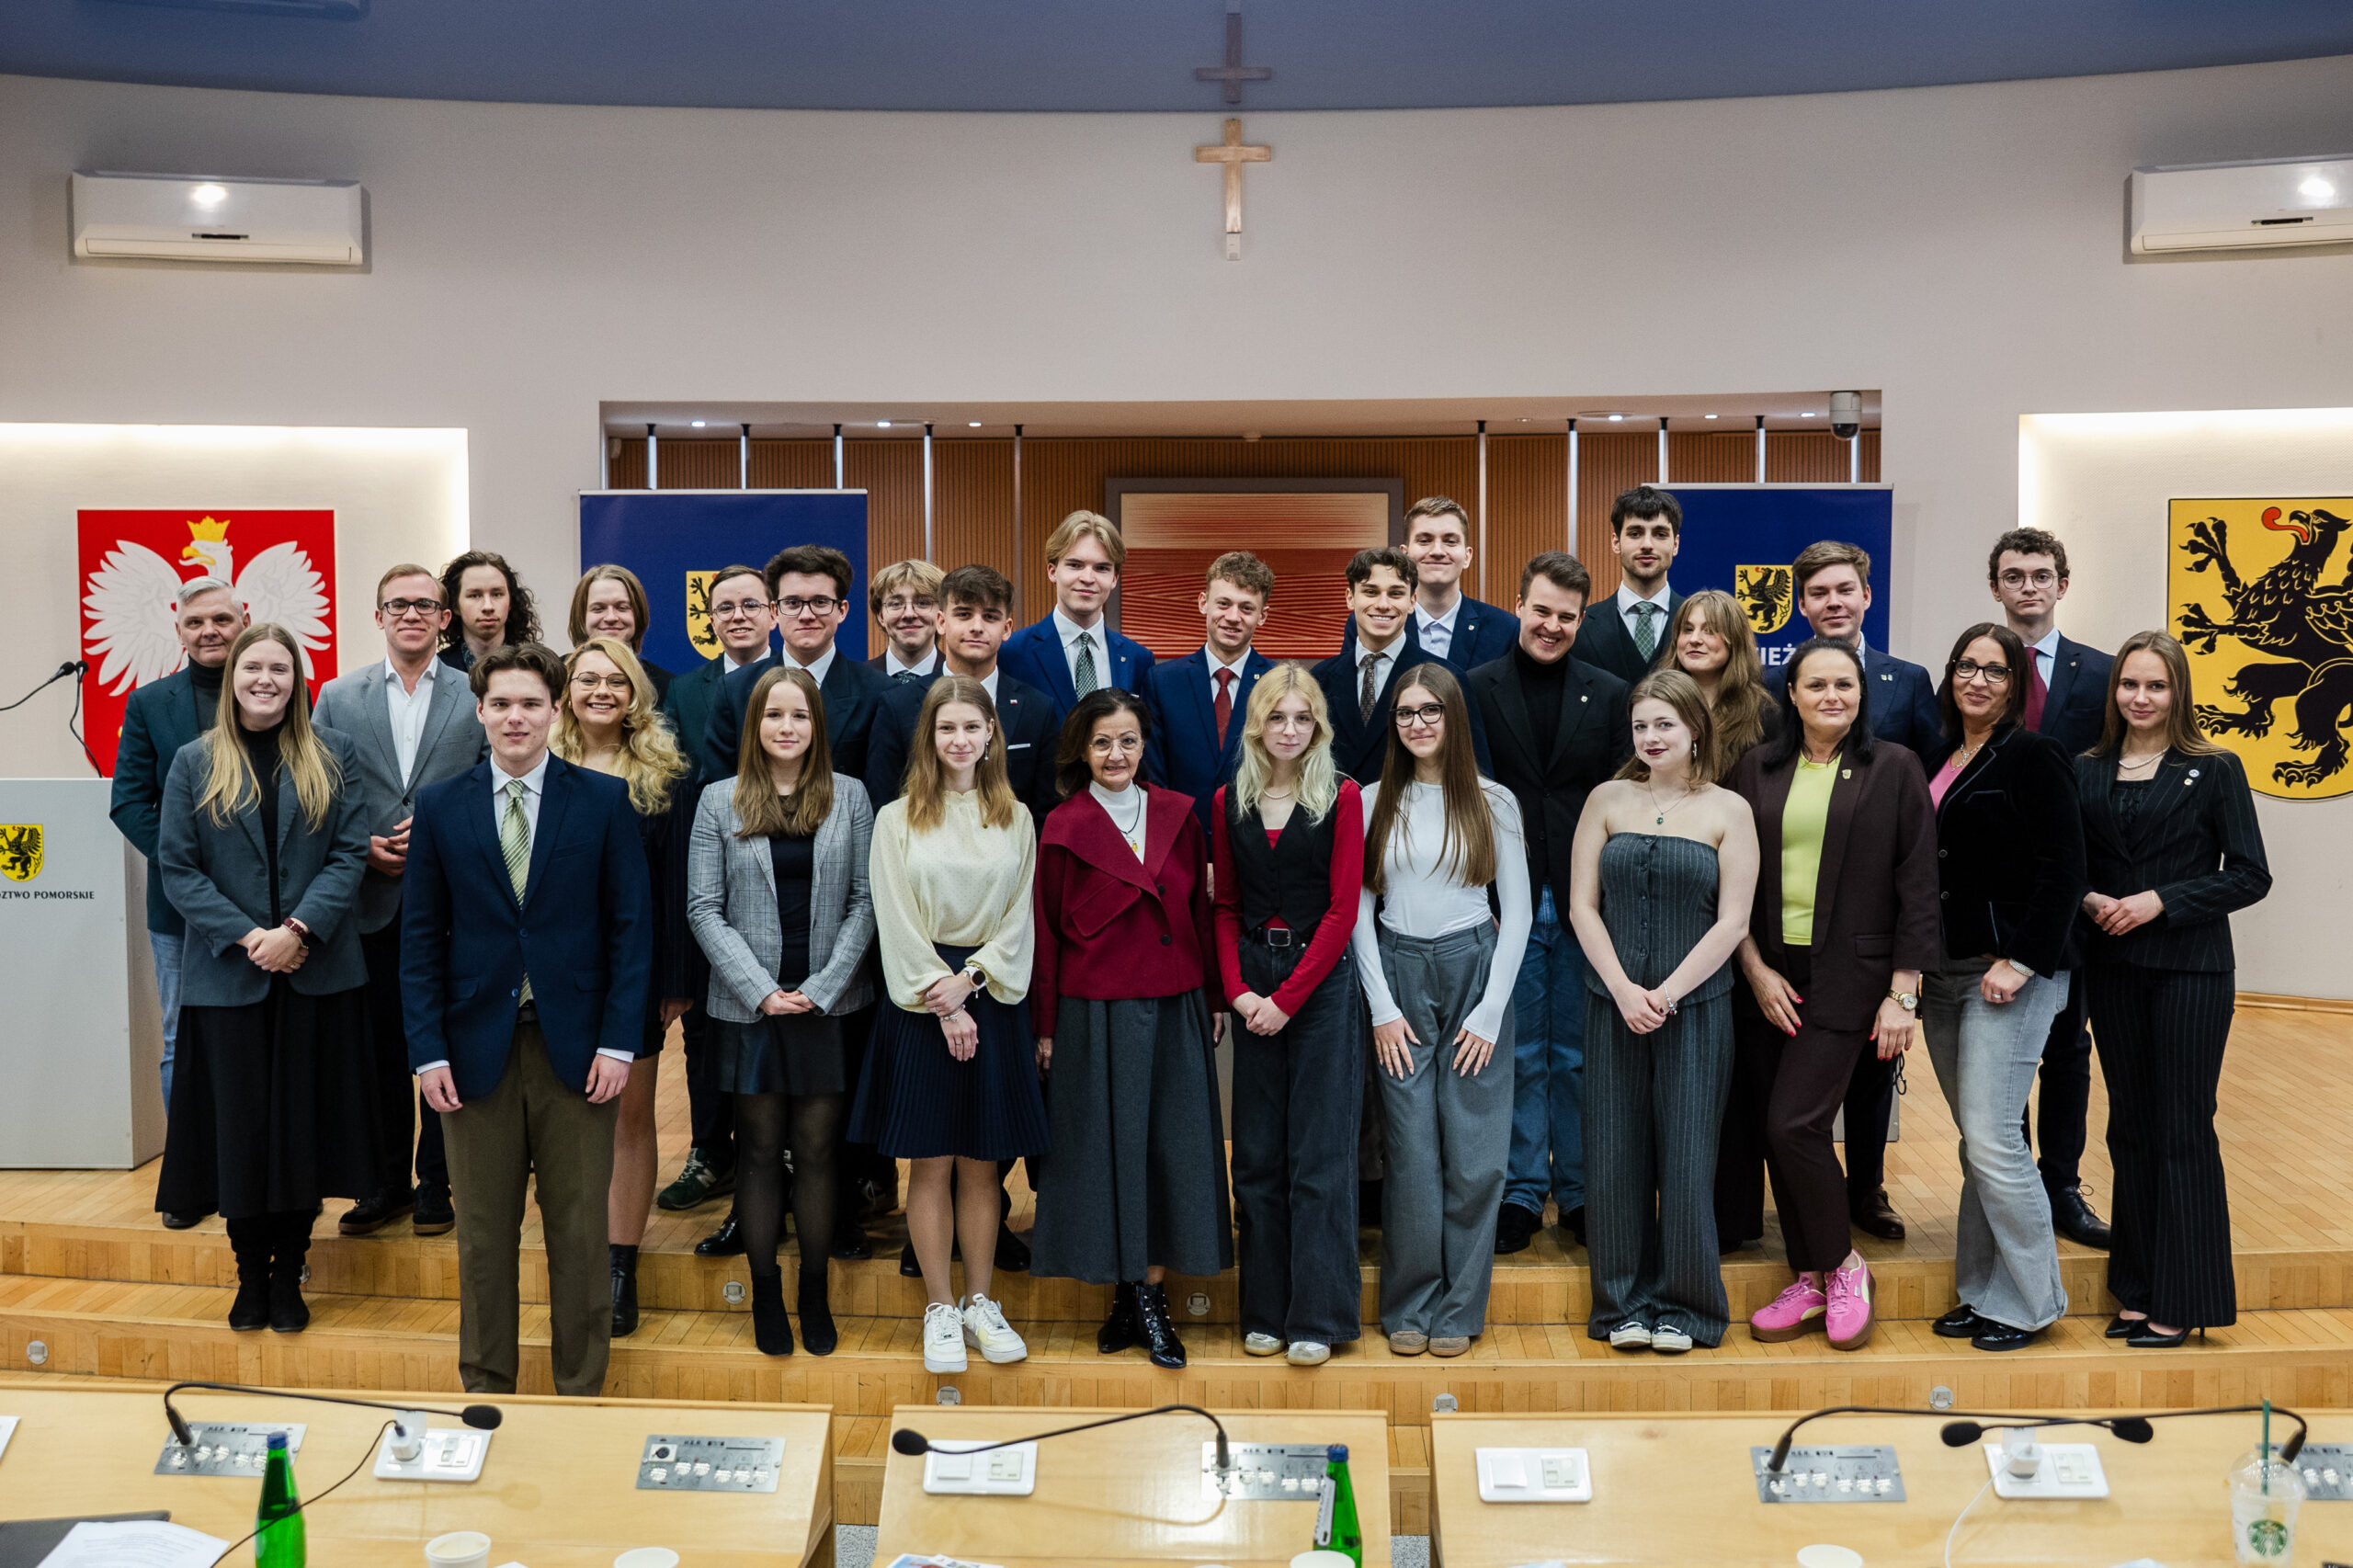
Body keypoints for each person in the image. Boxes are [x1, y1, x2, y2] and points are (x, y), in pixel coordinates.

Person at [401, 642, 652, 1398]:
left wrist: (619, 1043)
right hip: (471, 1051)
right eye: (502, 704)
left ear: (555, 711)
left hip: (577, 1049)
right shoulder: (440, 805)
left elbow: (631, 932)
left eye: (531, 704)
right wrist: (427, 1052)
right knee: (483, 1235)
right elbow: (420, 940)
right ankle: (487, 1390)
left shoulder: (602, 801)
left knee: (578, 1232)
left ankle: (580, 1389)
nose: (516, 717)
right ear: (480, 711)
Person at [154, 622, 376, 1333]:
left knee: (299, 1134)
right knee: (241, 1136)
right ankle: (251, 1275)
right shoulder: (194, 761)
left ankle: (290, 1275)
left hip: (316, 974)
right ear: (233, 678)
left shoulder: (333, 754)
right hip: (230, 978)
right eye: (253, 668)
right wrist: (253, 937)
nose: (265, 680)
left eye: (279, 669)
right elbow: (178, 868)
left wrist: (298, 931)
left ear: (297, 679)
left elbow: (350, 854)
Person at [1730, 639, 1938, 1351]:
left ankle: (1845, 1267)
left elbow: (1918, 882)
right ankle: (1810, 1276)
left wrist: (1903, 993)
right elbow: (1733, 878)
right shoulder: (1757, 767)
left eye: (1844, 685)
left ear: (1861, 693)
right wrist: (1753, 968)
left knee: (1795, 1123)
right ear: (1790, 694)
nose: (1831, 696)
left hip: (1852, 977)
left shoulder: (1895, 767)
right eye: (1816, 684)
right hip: (1769, 977)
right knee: (1776, 1130)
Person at [2075, 631, 2270, 1346]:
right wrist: (2089, 897)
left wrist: (2161, 900)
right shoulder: (2087, 769)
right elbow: (2067, 863)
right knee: (2129, 1126)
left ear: (2178, 692)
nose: (2141, 697)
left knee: (2181, 1127)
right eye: (2130, 684)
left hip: (2191, 970)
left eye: (2156, 685)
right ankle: (2135, 1288)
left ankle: (2184, 1298)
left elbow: (2250, 874)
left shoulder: (2215, 768)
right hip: (2114, 969)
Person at [1030, 689, 1233, 1370]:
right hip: (1094, 1011)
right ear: (1081, 752)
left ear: (1145, 746)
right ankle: (1124, 1294)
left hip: (1173, 1003)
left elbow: (1203, 915)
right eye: (1101, 743)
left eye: (1127, 741)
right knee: (1101, 1153)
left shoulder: (1179, 813)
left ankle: (1150, 1297)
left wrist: (1212, 997)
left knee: (1168, 1150)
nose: (1115, 755)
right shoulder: (1062, 826)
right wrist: (1047, 1025)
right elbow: (1046, 933)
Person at [849, 676, 1046, 1375]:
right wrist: (944, 997)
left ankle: (980, 1302)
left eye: (971, 727)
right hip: (920, 999)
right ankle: (938, 1306)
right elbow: (895, 917)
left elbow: (1020, 917)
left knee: (983, 1163)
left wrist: (973, 983)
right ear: (928, 739)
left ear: (991, 734)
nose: (959, 740)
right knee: (930, 1161)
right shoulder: (897, 818)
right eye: (946, 728)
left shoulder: (1016, 816)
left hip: (991, 994)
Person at [686, 665, 875, 1357]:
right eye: (773, 715)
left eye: (799, 715)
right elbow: (703, 908)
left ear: (816, 725)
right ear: (754, 725)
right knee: (761, 1152)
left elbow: (866, 900)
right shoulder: (718, 800)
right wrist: (760, 989)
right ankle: (767, 1292)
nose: (786, 727)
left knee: (821, 1152)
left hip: (829, 1001)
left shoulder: (851, 796)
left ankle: (813, 1291)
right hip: (750, 1006)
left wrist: (823, 987)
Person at [1566, 670, 1757, 1352]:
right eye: (1640, 725)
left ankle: (1687, 1308)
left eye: (1664, 725)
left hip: (1697, 1008)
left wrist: (1669, 992)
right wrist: (1622, 988)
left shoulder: (1729, 809)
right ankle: (1622, 1305)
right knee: (1613, 1155)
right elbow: (1582, 906)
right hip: (1611, 1004)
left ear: (1695, 730)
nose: (1650, 737)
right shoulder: (1606, 799)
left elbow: (1734, 922)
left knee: (1686, 1157)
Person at [1917, 623, 2086, 1353]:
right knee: (1980, 1141)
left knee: (1993, 1140)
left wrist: (2021, 959)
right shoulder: (1939, 757)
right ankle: (1984, 1292)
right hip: (1944, 972)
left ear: (2016, 684)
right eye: (1966, 665)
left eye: (1995, 669)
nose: (1978, 679)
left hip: (2010, 974)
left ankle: (2031, 1301)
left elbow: (2065, 867)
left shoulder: (2034, 755)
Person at [1355, 664, 1531, 1358]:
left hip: (1474, 971)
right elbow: (1359, 914)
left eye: (1430, 710)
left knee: (1476, 1154)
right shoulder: (1371, 800)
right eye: (1405, 712)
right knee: (1410, 1154)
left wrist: (1489, 1012)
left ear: (1454, 716)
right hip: (1397, 973)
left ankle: (1459, 1307)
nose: (1418, 723)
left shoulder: (1495, 801)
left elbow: (1517, 915)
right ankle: (1410, 1303)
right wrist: (1380, 1007)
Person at [1767, 541, 1940, 1243]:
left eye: (1845, 589)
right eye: (1819, 592)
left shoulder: (1906, 685)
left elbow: (1927, 810)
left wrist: (1907, 983)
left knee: (1867, 1079)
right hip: (1785, 948)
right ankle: (1813, 1228)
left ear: (1867, 595)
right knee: (1791, 1109)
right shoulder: (1771, 710)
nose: (1833, 602)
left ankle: (1865, 1194)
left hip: (1868, 933)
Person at [312, 566, 487, 1243]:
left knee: (446, 1042)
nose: (411, 614)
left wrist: (443, 833)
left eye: (424, 604)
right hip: (371, 900)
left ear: (445, 618)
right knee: (379, 1050)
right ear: (378, 615)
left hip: (456, 898)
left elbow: (493, 779)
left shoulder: (476, 690)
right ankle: (384, 1182)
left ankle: (438, 1181)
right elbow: (316, 789)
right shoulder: (337, 696)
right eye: (398, 604)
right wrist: (359, 846)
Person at [1467, 551, 1630, 1255]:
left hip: (1584, 897)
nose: (1552, 625)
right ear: (1519, 606)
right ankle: (1523, 1191)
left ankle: (1584, 1190)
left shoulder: (1611, 692)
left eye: (1567, 616)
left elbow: (1619, 795)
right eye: (1541, 610)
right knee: (1522, 1050)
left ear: (1581, 620)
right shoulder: (1476, 687)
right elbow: (1470, 792)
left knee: (1577, 1053)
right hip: (1504, 896)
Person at [1212, 665, 1365, 1368]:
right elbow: (1225, 907)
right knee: (1257, 1156)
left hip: (1319, 986)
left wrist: (1286, 999)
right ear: (1257, 724)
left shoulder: (1342, 796)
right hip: (1253, 982)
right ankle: (1264, 1312)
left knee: (1319, 1155)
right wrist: (1240, 993)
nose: (1290, 729)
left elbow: (1342, 911)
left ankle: (1319, 1317)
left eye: (1303, 718)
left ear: (1318, 727)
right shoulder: (1229, 802)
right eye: (1278, 717)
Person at [551, 637, 697, 1339]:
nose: (601, 691)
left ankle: (619, 1268)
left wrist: (674, 979)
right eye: (587, 680)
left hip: (633, 974)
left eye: (616, 680)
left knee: (630, 1121)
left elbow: (676, 885)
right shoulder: (537, 765)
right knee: (564, 1120)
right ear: (567, 691)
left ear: (636, 692)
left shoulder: (664, 775)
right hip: (551, 974)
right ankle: (574, 1260)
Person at [1988, 526, 2117, 1250]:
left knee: (2067, 1048)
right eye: (2015, 575)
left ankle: (2062, 1184)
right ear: (1996, 587)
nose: (2028, 587)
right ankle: (2011, 1185)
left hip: (2076, 892)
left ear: (2062, 584)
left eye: (2041, 575)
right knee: (2003, 1050)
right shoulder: (1976, 668)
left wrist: (2093, 885)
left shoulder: (2101, 675)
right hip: (1998, 897)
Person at [110, 573, 246, 1214]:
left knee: (256, 1037)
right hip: (179, 905)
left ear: (243, 619)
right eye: (196, 623)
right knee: (180, 1040)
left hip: (266, 909)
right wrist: (185, 865)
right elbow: (129, 803)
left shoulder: (276, 688)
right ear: (179, 630)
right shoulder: (149, 704)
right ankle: (193, 1179)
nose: (209, 631)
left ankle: (251, 1171)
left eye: (220, 619)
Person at [655, 563, 776, 1223]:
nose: (736, 617)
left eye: (749, 605)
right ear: (710, 620)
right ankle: (709, 1150)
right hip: (709, 870)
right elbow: (678, 778)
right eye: (723, 608)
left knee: (775, 1024)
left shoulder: (792, 681)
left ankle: (778, 1159)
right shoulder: (684, 689)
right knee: (704, 1026)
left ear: (772, 612)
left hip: (784, 873)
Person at [867, 564, 1062, 830]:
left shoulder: (1037, 708)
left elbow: (1046, 815)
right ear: (941, 622)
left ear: (1007, 628)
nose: (977, 627)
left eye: (990, 617)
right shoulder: (897, 706)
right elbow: (884, 807)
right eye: (964, 614)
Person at [699, 544, 892, 789]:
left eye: (820, 602)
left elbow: (883, 793)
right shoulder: (735, 689)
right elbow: (716, 792)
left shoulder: (879, 692)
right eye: (792, 603)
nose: (806, 615)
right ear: (774, 611)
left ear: (842, 611)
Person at [1314, 547, 1492, 785]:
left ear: (1412, 601)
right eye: (1370, 592)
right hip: (1335, 808)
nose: (1383, 604)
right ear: (1350, 598)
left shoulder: (1449, 677)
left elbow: (1475, 772)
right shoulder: (1319, 678)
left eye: (1396, 593)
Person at [1142, 551, 1277, 835]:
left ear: (1263, 616)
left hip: (1257, 846)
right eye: (1223, 604)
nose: (1233, 617)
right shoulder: (1162, 681)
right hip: (1180, 842)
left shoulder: (1278, 683)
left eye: (1246, 608)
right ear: (1203, 603)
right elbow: (1153, 776)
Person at [998, 510, 1155, 725]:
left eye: (1101, 568)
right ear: (1052, 571)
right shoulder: (1012, 652)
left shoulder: (1138, 659)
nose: (1088, 578)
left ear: (1114, 578)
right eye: (1075, 565)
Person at [1336, 498, 1516, 673]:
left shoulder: (1505, 629)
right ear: (1405, 554)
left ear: (1467, 556)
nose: (1437, 551)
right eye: (1424, 540)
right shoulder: (1367, 621)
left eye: (1450, 541)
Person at [1657, 588, 1782, 778]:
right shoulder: (1656, 703)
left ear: (1735, 640)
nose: (1694, 640)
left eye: (1709, 631)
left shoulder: (1764, 713)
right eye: (1687, 630)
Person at [1570, 486, 1687, 687]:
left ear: (1675, 545)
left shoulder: (1698, 623)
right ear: (1616, 542)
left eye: (1660, 534)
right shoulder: (1580, 627)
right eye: (1635, 533)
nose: (1647, 544)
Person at [568, 564, 674, 704]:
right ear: (581, 617)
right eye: (598, 609)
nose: (611, 617)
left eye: (622, 608)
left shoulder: (668, 687)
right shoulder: (554, 677)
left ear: (638, 614)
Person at [438, 550, 540, 673]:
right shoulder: (438, 670)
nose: (488, 606)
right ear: (455, 605)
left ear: (511, 601)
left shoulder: (536, 668)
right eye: (475, 596)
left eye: (497, 594)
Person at [869, 559, 945, 679]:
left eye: (922, 603)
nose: (909, 614)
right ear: (881, 616)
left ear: (941, 614)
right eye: (896, 604)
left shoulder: (964, 680)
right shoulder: (853, 682)